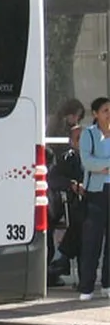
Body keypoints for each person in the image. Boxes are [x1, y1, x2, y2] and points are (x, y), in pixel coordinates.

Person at [77, 97, 110, 300]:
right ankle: (87, 287)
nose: (109, 114)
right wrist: (104, 166)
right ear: (96, 114)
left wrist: (104, 166)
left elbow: (99, 165)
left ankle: (108, 284)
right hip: (96, 194)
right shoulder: (88, 134)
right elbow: (88, 162)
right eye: (105, 110)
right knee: (92, 242)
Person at [47, 123, 86, 285]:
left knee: (83, 223)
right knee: (82, 222)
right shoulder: (67, 159)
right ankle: (63, 259)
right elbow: (53, 179)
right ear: (71, 142)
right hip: (79, 204)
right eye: (78, 139)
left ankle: (63, 258)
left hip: (101, 202)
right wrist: (73, 185)